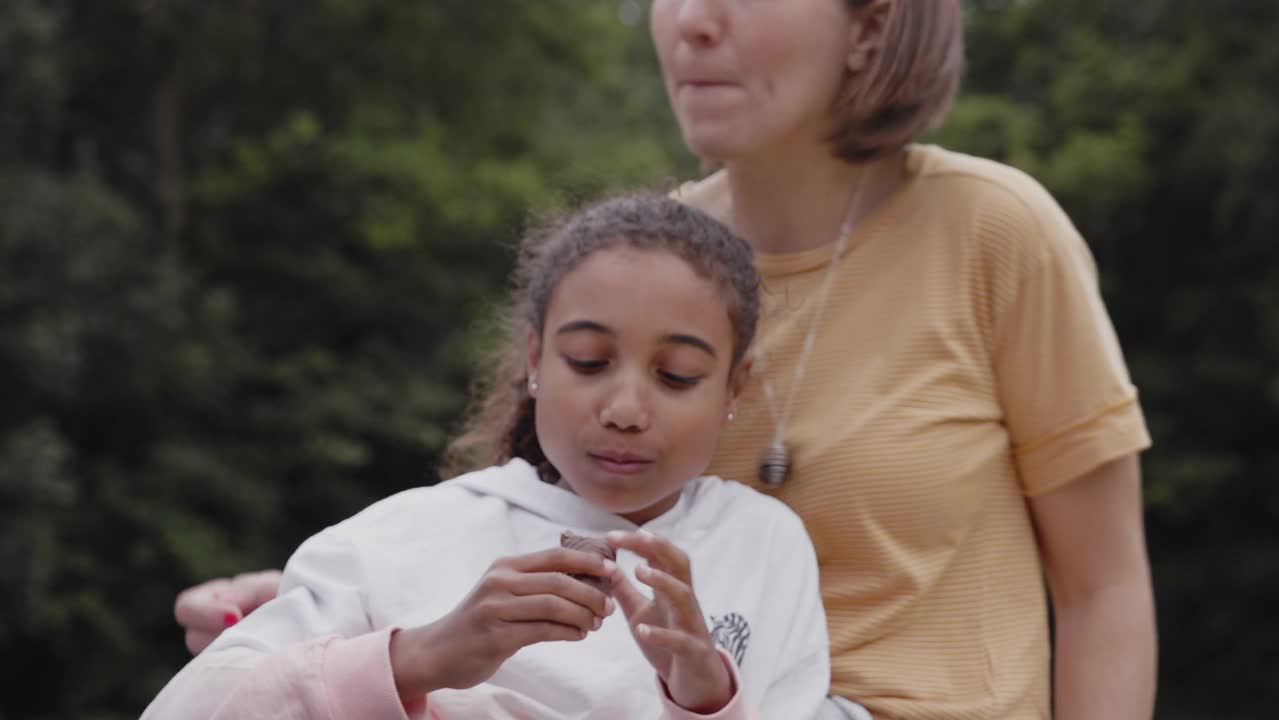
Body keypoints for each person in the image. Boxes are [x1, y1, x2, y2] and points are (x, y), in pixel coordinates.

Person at [173, 1, 1159, 718]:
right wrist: (334, 605)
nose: (688, 21)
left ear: (870, 25)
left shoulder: (994, 231)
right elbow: (527, 530)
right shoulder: (649, 271)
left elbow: (1102, 589)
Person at [144, 195, 831, 719]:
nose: (625, 408)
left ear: (734, 389)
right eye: (589, 362)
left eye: (676, 374)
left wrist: (706, 699)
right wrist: (422, 656)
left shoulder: (764, 547)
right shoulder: (411, 536)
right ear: (534, 360)